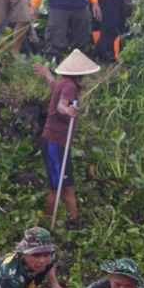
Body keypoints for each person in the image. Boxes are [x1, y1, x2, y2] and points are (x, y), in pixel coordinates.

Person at [35, 49, 100, 226]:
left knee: (68, 185)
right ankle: (47, 225)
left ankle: (74, 221)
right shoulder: (70, 86)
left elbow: (54, 87)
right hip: (54, 142)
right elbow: (62, 105)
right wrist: (68, 110)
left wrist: (47, 74)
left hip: (59, 143)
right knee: (57, 188)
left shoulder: (63, 83)